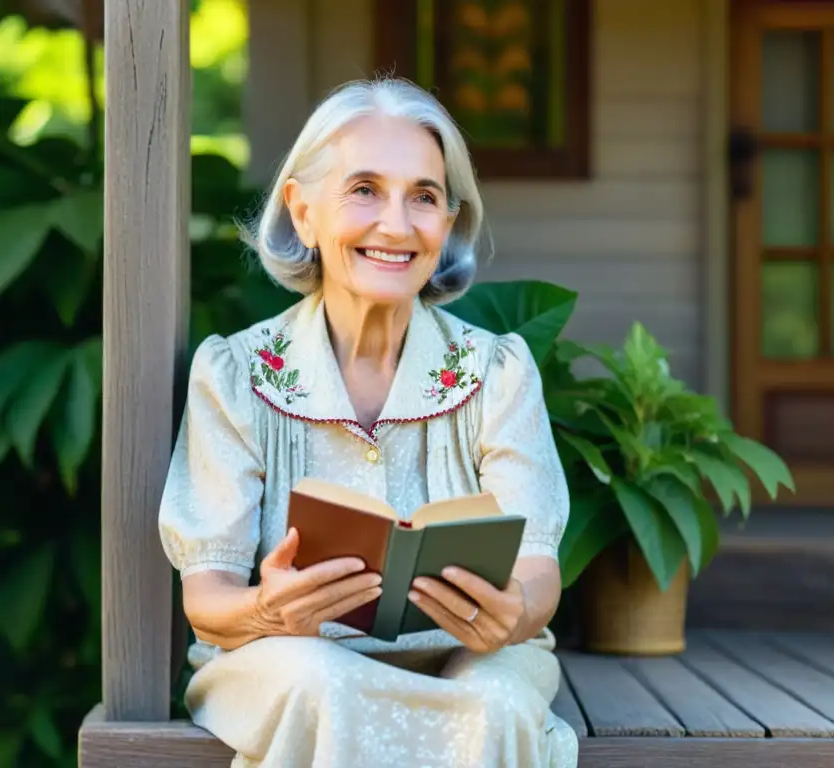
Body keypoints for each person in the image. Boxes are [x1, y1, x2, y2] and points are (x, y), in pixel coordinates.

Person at [157, 77, 578, 767]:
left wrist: (518, 611)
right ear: (302, 210)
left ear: (447, 224)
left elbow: (536, 568)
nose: (397, 223)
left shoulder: (499, 371)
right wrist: (270, 609)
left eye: (424, 196)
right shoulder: (235, 374)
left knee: (496, 704)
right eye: (364, 190)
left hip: (469, 658)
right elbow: (209, 599)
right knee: (322, 683)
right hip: (291, 658)